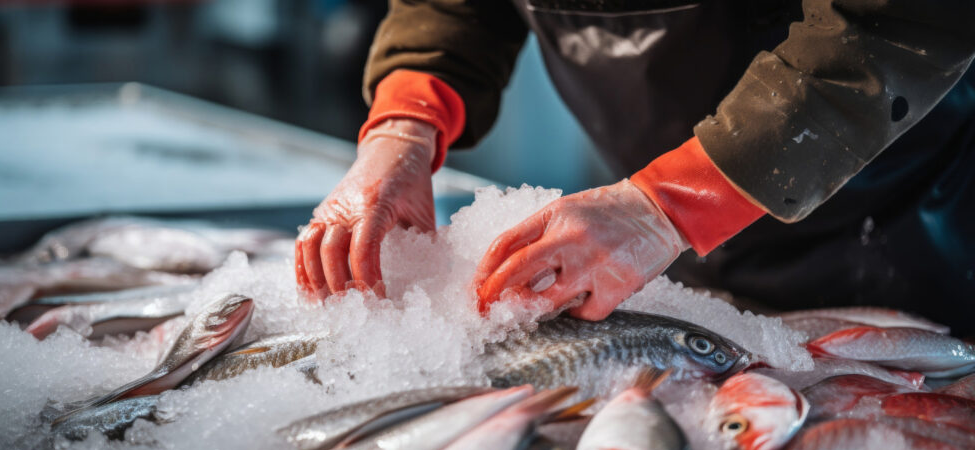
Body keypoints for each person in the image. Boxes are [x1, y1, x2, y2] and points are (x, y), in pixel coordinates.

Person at [295, 1, 975, 332]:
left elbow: (894, 24)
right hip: (673, 259)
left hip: (913, 221)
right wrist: (404, 126)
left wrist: (671, 203)